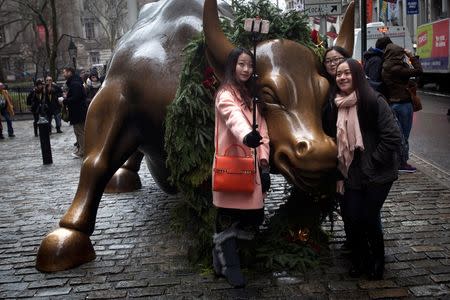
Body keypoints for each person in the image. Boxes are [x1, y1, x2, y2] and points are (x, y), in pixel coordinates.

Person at [323, 58, 402, 280]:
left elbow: (393, 136)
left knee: (369, 217)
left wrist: (374, 160)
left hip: (378, 172)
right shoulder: (335, 103)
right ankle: (360, 260)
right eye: (339, 74)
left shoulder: (373, 100)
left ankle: (377, 262)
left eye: (347, 73)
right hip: (350, 172)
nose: (342, 77)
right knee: (352, 217)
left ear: (357, 74)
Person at [211, 48, 270, 288]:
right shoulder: (225, 93)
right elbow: (232, 116)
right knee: (230, 217)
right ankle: (229, 266)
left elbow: (263, 131)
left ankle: (220, 255)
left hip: (253, 168)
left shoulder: (251, 96)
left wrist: (264, 162)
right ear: (232, 66)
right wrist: (247, 136)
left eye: (250, 65)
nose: (246, 69)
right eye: (241, 64)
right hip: (232, 166)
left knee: (254, 218)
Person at [320, 46, 352, 251]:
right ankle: (353, 240)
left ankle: (366, 245)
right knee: (346, 202)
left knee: (362, 205)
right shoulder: (323, 88)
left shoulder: (355, 87)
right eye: (328, 61)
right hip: (336, 154)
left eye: (337, 60)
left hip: (355, 155)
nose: (332, 64)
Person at [382, 43, 423, 173]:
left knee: (395, 134)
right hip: (404, 104)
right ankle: (402, 163)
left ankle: (395, 161)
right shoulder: (398, 68)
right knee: (404, 135)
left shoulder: (385, 67)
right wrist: (411, 56)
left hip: (392, 104)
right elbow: (419, 71)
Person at [60, 66, 88, 158]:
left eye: (64, 72)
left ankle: (83, 151)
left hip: (78, 112)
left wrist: (64, 100)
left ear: (69, 72)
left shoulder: (75, 83)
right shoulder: (74, 82)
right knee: (78, 131)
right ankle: (81, 149)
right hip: (78, 111)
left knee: (80, 132)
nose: (63, 74)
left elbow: (76, 98)